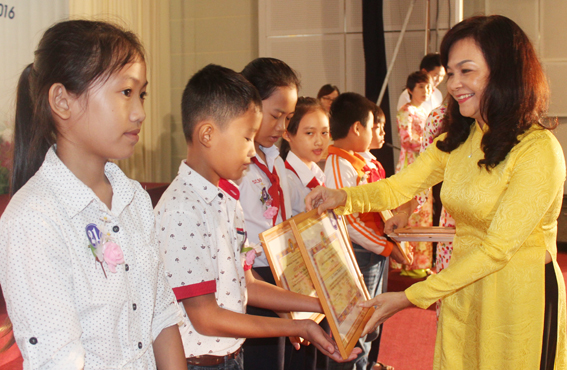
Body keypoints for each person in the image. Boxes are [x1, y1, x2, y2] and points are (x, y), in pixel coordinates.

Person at [305, 15, 566, 370]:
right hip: (463, 285)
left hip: (516, 295)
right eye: (451, 72)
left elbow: (497, 249)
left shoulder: (538, 150)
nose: (454, 84)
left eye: (466, 71)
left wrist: (408, 297)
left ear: (504, 71)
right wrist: (344, 197)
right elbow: (400, 185)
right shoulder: (459, 138)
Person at [0, 20, 186, 369]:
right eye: (125, 92)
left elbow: (161, 316)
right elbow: (59, 361)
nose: (139, 112)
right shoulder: (33, 221)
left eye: (141, 93)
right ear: (62, 101)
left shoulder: (134, 200)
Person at [154, 64, 357, 370]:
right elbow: (207, 318)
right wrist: (297, 326)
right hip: (199, 363)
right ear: (207, 134)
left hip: (233, 356)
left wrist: (323, 305)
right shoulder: (183, 209)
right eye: (246, 138)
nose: (253, 152)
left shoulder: (227, 200)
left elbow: (247, 283)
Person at [324, 92, 410, 370]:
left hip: (375, 249)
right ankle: (357, 365)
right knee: (359, 319)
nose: (376, 131)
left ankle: (368, 363)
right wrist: (387, 247)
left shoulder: (361, 159)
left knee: (373, 315)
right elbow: (349, 223)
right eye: (373, 125)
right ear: (357, 128)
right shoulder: (339, 164)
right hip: (360, 253)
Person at [238, 57, 303, 370]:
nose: (282, 127)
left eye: (288, 118)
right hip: (254, 279)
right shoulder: (235, 164)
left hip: (282, 272)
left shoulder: (276, 160)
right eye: (276, 115)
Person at [393, 71, 434, 278]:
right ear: (410, 90)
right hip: (410, 166)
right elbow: (407, 140)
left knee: (423, 214)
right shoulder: (405, 112)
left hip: (424, 166)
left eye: (427, 87)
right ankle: (406, 261)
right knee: (410, 214)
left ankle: (420, 262)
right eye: (420, 87)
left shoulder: (424, 112)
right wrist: (431, 145)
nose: (425, 91)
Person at [281, 96, 329, 216]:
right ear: (287, 134)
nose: (319, 141)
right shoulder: (286, 182)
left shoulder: (318, 175)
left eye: (324, 133)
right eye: (309, 133)